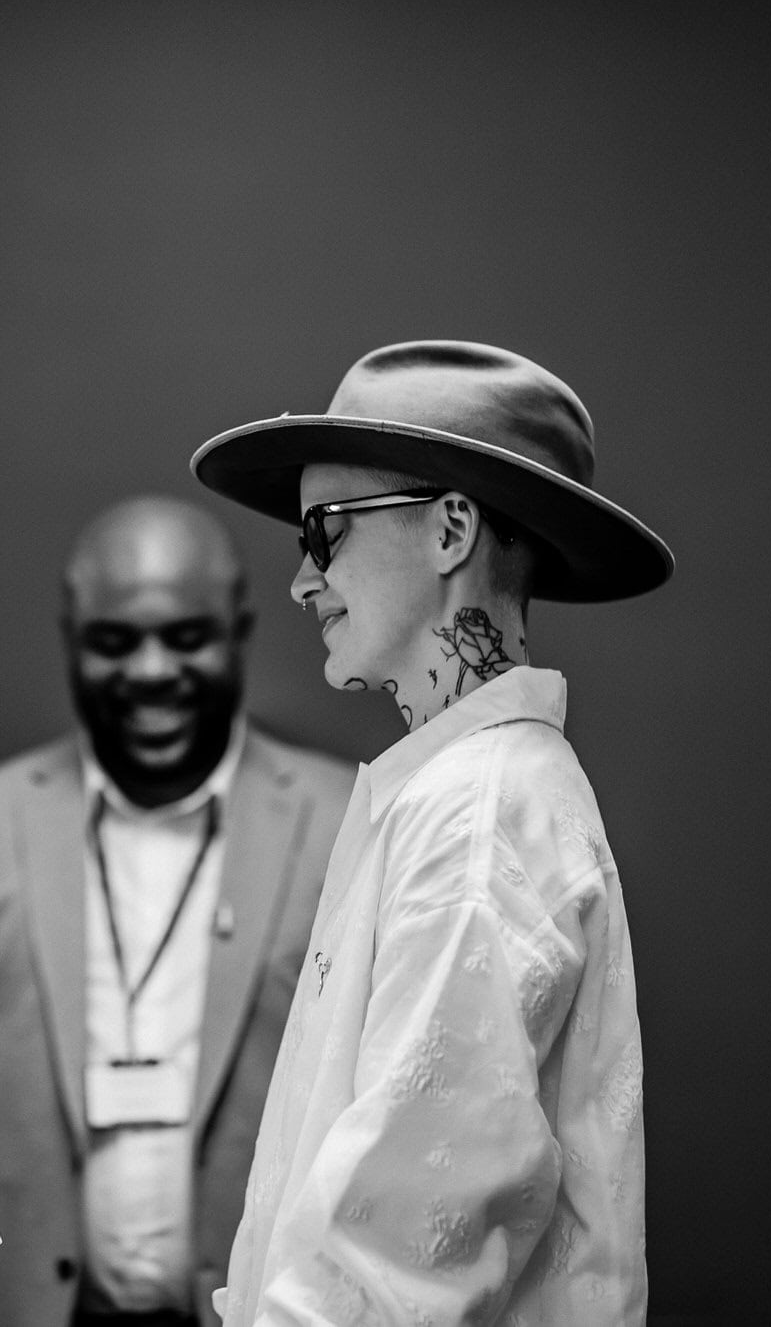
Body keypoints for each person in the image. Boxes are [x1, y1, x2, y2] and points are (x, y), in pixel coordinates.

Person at [189, 341, 674, 1325]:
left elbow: (403, 1251)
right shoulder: (461, 790)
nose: (300, 582)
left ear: (451, 528)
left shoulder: (476, 810)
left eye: (322, 532)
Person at [0, 496, 356, 1327]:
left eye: (185, 638)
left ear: (239, 629)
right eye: (114, 641)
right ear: (72, 638)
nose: (149, 670)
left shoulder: (350, 826)